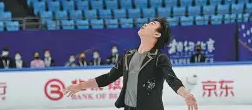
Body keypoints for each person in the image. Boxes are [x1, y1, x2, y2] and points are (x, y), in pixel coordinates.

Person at [64, 17, 198, 110]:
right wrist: (80, 86)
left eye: (152, 24)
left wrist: (186, 94)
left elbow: (172, 80)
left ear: (157, 34)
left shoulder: (159, 58)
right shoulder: (128, 55)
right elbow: (108, 78)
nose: (146, 24)